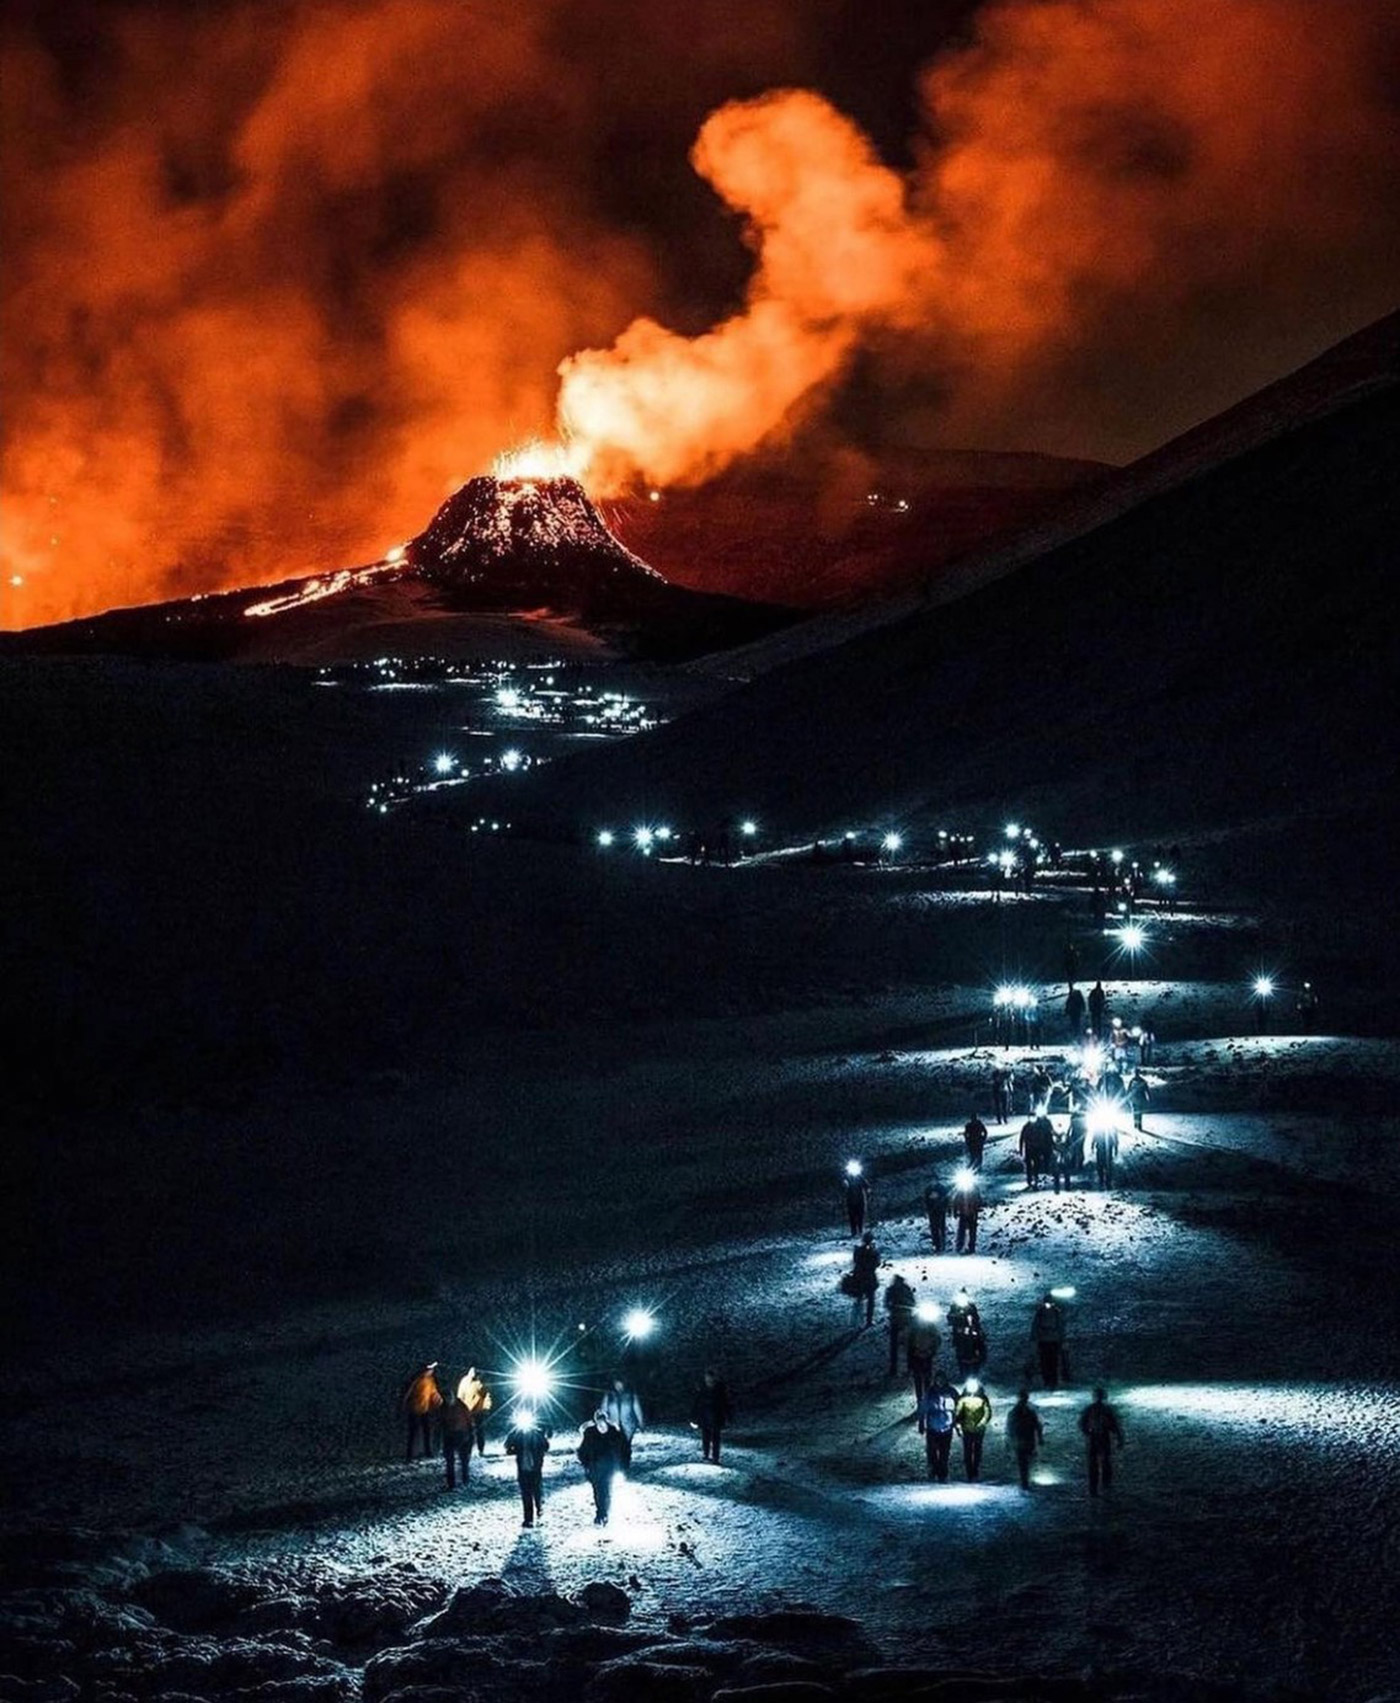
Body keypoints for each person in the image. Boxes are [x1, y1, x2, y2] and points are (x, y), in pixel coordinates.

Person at [577, 1409, 624, 1525]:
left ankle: (604, 1513)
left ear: (606, 1420)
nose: (601, 1422)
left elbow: (620, 1448)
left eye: (603, 1419)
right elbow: (583, 1449)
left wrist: (620, 1464)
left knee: (606, 1490)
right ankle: (600, 1513)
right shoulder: (590, 1432)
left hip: (608, 1467)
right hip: (595, 1467)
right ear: (596, 1420)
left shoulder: (613, 1431)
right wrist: (586, 1464)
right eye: (599, 1420)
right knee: (598, 1491)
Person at [504, 1410, 550, 1527]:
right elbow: (507, 1446)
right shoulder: (517, 1434)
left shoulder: (537, 1434)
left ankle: (538, 1510)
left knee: (535, 1491)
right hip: (524, 1467)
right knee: (527, 1493)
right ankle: (528, 1518)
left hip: (534, 1467)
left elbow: (546, 1446)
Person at [1079, 1387, 1125, 1496]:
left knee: (1098, 1463)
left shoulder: (1091, 1409)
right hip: (1099, 1437)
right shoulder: (1105, 1410)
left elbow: (1082, 1423)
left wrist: (1087, 1431)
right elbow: (1115, 1425)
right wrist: (1119, 1438)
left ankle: (1097, 1487)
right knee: (1101, 1462)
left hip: (1097, 1437)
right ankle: (1101, 1486)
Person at [399, 1362, 443, 1463]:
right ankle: (409, 1454)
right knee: (413, 1433)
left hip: (425, 1409)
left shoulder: (431, 1380)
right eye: (431, 1370)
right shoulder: (417, 1380)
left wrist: (439, 1400)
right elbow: (407, 1392)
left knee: (426, 1431)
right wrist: (403, 1404)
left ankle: (428, 1452)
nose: (432, 1371)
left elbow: (434, 1392)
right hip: (414, 1409)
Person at [906, 1303, 941, 1424]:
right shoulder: (914, 1328)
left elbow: (937, 1339)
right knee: (918, 1381)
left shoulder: (930, 1327)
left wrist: (931, 1351)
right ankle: (920, 1401)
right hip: (917, 1357)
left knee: (926, 1380)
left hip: (926, 1357)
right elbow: (909, 1343)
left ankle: (926, 1401)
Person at [600, 1376, 644, 1470]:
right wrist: (602, 1420)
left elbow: (637, 1408)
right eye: (616, 1384)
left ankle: (625, 1463)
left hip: (628, 1425)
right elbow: (603, 1408)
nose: (618, 1386)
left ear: (624, 1384)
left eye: (620, 1384)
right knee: (615, 1446)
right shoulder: (609, 1395)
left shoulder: (631, 1395)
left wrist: (641, 1422)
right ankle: (617, 1465)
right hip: (614, 1425)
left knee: (626, 1445)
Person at [953, 1377, 993, 1481]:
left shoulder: (983, 1399)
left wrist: (982, 1423)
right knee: (968, 1451)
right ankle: (969, 1473)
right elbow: (957, 1412)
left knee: (977, 1451)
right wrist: (958, 1424)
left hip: (979, 1430)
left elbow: (987, 1412)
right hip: (966, 1429)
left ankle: (975, 1471)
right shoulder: (963, 1399)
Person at [690, 1368, 733, 1463]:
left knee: (715, 1437)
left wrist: (728, 1416)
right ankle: (706, 1454)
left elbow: (725, 1403)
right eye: (708, 1377)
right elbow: (696, 1403)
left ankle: (715, 1457)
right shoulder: (702, 1389)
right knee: (706, 1436)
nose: (709, 1379)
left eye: (710, 1377)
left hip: (716, 1416)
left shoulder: (719, 1389)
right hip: (705, 1415)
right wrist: (694, 1416)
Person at [921, 1371, 958, 1481]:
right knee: (932, 1452)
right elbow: (923, 1407)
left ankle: (943, 1474)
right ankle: (933, 1471)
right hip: (932, 1427)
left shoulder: (951, 1391)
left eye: (942, 1379)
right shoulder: (930, 1392)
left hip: (947, 1427)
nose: (940, 1381)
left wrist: (957, 1421)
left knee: (944, 1453)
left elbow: (959, 1406)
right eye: (938, 1379)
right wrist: (922, 1422)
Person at [1006, 1388, 1045, 1489]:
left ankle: (1025, 1479)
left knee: (1024, 1460)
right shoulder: (1027, 1412)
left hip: (1023, 1439)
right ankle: (1025, 1480)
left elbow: (1010, 1427)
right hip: (1024, 1439)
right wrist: (1040, 1437)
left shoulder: (1017, 1412)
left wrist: (1009, 1438)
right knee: (1024, 1460)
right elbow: (1037, 1425)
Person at [1030, 1294, 1066, 1390]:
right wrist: (1034, 1336)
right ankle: (1047, 1380)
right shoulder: (1040, 1312)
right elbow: (1035, 1325)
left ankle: (1053, 1381)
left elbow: (1060, 1326)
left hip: (1053, 1340)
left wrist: (1061, 1338)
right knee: (1044, 1361)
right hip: (1044, 1340)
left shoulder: (1056, 1312)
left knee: (1053, 1361)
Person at [947, 1291, 987, 1375]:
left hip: (972, 1335)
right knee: (961, 1353)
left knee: (975, 1348)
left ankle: (975, 1370)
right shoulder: (954, 1307)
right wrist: (957, 1317)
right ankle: (964, 1371)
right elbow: (950, 1318)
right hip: (960, 1336)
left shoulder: (971, 1306)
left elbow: (976, 1319)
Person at [884, 1272, 916, 1376]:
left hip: (898, 1319)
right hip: (904, 1319)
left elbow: (886, 1304)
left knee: (897, 1346)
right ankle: (907, 1368)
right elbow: (913, 1303)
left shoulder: (891, 1289)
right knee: (906, 1345)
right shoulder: (906, 1289)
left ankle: (895, 1369)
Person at [456, 1367, 493, 1456]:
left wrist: (486, 1407)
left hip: (478, 1411)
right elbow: (460, 1396)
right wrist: (459, 1408)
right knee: (468, 1432)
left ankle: (480, 1449)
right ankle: (467, 1450)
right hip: (466, 1411)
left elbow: (487, 1396)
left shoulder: (481, 1383)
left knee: (479, 1431)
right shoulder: (465, 1381)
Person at [441, 1394, 475, 1489]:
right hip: (450, 1435)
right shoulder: (444, 1408)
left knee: (463, 1459)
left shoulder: (461, 1407)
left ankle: (465, 1479)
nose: (448, 1400)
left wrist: (470, 1434)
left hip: (461, 1434)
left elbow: (469, 1420)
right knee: (450, 1460)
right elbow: (441, 1422)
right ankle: (451, 1483)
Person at [850, 1230, 881, 1326]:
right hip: (869, 1277)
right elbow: (877, 1263)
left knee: (859, 1299)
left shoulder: (858, 1250)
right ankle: (869, 1320)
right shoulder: (873, 1251)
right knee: (870, 1300)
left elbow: (855, 1261)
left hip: (859, 1277)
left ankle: (857, 1320)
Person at [951, 1174, 982, 1254]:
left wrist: (978, 1208)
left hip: (972, 1213)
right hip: (963, 1213)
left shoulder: (974, 1189)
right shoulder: (960, 1190)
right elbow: (956, 1201)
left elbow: (978, 1199)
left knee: (972, 1231)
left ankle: (971, 1247)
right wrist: (955, 1211)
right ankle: (960, 1246)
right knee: (961, 1230)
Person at [844, 1164, 871, 1237]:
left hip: (860, 1200)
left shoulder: (860, 1178)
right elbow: (843, 1185)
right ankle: (854, 1231)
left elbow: (867, 1186)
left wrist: (868, 1191)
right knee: (852, 1216)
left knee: (860, 1216)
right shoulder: (847, 1178)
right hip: (851, 1200)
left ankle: (860, 1230)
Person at [1051, 1122, 1078, 1194]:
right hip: (1057, 1157)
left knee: (1066, 1172)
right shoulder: (1052, 1137)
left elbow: (1071, 1146)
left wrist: (1069, 1153)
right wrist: (1054, 1152)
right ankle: (1057, 1188)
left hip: (1065, 1156)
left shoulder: (1066, 1137)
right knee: (1056, 1173)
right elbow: (1050, 1146)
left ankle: (1067, 1187)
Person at [924, 1178, 950, 1252]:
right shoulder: (928, 1189)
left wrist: (944, 1207)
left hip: (940, 1211)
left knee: (941, 1227)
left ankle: (942, 1244)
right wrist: (928, 1208)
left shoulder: (941, 1188)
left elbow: (946, 1199)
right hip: (932, 1211)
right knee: (934, 1228)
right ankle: (936, 1245)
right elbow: (925, 1200)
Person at [1093, 1120, 1120, 1189]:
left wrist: (1116, 1148)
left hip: (1106, 1149)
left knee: (1107, 1166)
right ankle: (1102, 1180)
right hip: (1102, 1149)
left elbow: (1115, 1138)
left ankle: (1107, 1181)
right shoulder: (1099, 1127)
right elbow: (1095, 1136)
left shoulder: (1111, 1128)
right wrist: (1092, 1145)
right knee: (1101, 1166)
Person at [1019, 1117, 1043, 1190]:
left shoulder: (1038, 1127)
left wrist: (1042, 1149)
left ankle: (1035, 1177)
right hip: (1029, 1149)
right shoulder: (1026, 1127)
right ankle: (1029, 1179)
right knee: (1029, 1165)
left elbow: (1041, 1138)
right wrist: (1021, 1149)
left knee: (1036, 1165)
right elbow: (1021, 1139)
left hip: (1036, 1149)